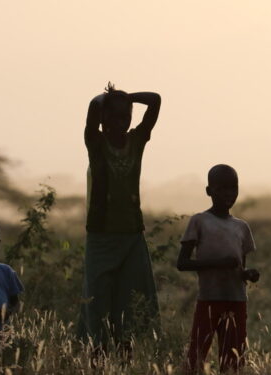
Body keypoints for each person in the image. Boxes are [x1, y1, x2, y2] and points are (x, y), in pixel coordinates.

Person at [79, 83, 162, 354]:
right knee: (98, 302)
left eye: (125, 116)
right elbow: (92, 108)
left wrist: (127, 98)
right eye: (113, 116)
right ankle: (97, 358)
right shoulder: (96, 143)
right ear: (103, 120)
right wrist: (108, 98)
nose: (120, 122)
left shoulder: (136, 141)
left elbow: (155, 101)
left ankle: (127, 356)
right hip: (101, 236)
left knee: (132, 301)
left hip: (131, 235)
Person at [177, 164, 259, 374]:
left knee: (232, 362)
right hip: (209, 300)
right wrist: (218, 263)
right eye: (222, 188)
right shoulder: (200, 221)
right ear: (209, 191)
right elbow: (182, 263)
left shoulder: (241, 227)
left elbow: (241, 267)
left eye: (233, 188)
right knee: (196, 356)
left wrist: (248, 274)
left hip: (237, 300)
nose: (229, 194)